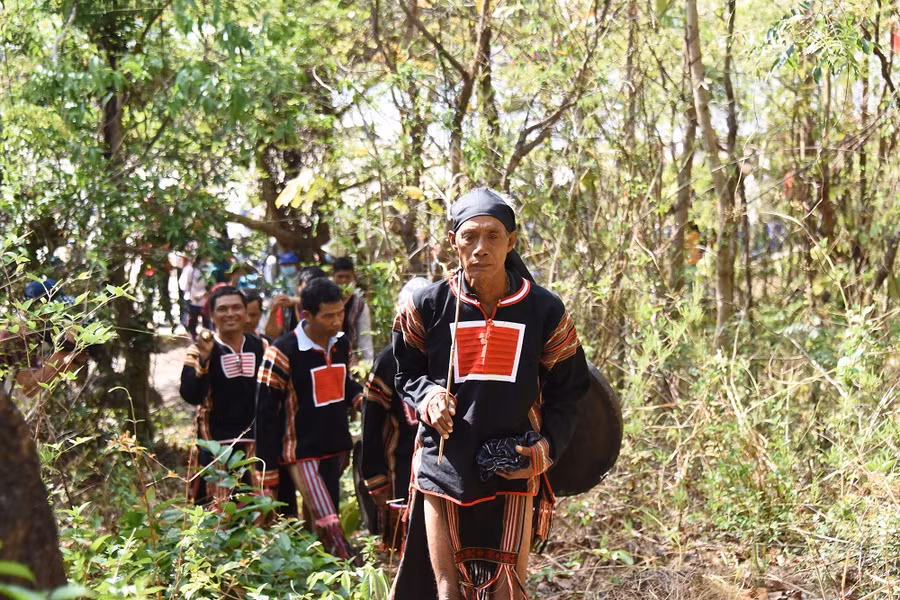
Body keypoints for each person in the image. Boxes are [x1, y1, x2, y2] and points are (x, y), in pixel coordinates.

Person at [391, 187, 590, 599]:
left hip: (512, 467)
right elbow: (406, 373)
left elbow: (570, 389)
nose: (481, 247)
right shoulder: (426, 305)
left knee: (507, 589)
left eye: (493, 235)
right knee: (448, 588)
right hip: (443, 464)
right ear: (453, 242)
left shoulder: (543, 310)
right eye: (470, 236)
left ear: (511, 241)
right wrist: (428, 397)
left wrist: (544, 450)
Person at [255, 278, 363, 560]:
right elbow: (265, 412)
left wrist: (361, 398)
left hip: (335, 446)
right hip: (301, 451)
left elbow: (343, 383)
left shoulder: (341, 344)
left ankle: (315, 568)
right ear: (307, 315)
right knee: (327, 519)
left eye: (340, 313)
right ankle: (345, 566)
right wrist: (266, 469)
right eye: (328, 316)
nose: (336, 321)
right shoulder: (282, 351)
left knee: (325, 513)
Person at [359, 278, 430, 547]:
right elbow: (371, 423)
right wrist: (374, 477)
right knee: (404, 546)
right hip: (400, 467)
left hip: (442, 467)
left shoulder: (446, 353)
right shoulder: (389, 360)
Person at [180, 285, 267, 506]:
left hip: (256, 441)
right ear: (211, 315)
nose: (230, 314)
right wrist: (204, 357)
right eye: (222, 309)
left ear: (246, 313)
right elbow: (191, 395)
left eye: (236, 308)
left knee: (258, 505)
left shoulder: (262, 346)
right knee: (217, 506)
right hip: (215, 443)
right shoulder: (199, 350)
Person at [263, 265, 325, 340]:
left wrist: (294, 300)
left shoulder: (330, 305)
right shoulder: (285, 307)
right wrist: (273, 311)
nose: (312, 292)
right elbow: (271, 335)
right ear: (298, 286)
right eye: (308, 287)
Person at [332, 257, 374, 365]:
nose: (343, 281)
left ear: (353, 278)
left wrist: (368, 364)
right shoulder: (324, 301)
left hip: (349, 360)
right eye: (340, 277)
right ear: (333, 277)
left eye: (347, 277)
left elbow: (365, 338)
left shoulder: (359, 306)